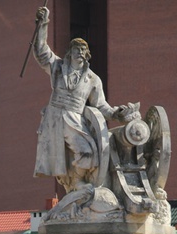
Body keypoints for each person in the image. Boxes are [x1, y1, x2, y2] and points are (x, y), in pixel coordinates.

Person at [33, 6, 127, 194]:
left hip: (75, 118)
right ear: (70, 52)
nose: (80, 52)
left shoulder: (93, 79)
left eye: (84, 49)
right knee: (59, 160)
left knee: (88, 153)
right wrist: (42, 24)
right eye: (77, 48)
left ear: (87, 54)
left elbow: (101, 106)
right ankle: (74, 185)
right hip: (54, 116)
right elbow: (42, 52)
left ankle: (76, 182)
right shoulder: (58, 66)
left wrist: (118, 114)